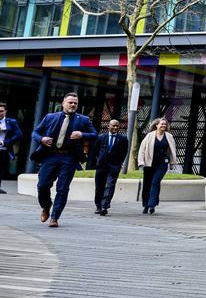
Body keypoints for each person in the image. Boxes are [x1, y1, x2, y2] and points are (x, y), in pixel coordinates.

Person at [30, 92, 97, 227]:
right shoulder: (50, 117)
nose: (73, 105)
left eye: (75, 103)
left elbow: (94, 134)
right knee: (42, 185)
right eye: (70, 102)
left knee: (63, 188)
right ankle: (46, 205)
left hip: (69, 157)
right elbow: (35, 133)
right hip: (50, 155)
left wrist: (81, 134)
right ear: (63, 103)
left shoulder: (83, 120)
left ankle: (55, 217)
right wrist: (42, 139)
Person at [137, 118, 179, 214]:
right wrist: (141, 162)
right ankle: (146, 205)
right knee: (147, 183)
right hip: (149, 163)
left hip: (162, 163)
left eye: (165, 124)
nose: (164, 126)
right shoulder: (149, 136)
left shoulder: (169, 136)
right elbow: (142, 149)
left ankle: (152, 205)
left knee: (155, 182)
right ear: (156, 125)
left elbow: (173, 150)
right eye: (162, 124)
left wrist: (172, 162)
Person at [89, 120, 127, 216]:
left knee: (110, 185)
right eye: (113, 126)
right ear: (108, 126)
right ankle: (98, 205)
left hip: (114, 166)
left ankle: (105, 206)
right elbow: (96, 150)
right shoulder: (101, 137)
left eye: (117, 126)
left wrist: (119, 164)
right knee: (99, 186)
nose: (115, 128)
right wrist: (99, 160)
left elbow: (124, 153)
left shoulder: (123, 139)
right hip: (101, 165)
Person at [0, 103, 24, 195]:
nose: (0, 113)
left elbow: (19, 135)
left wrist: (5, 142)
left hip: (3, 149)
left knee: (0, 169)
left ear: (5, 111)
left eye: (1, 111)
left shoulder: (11, 122)